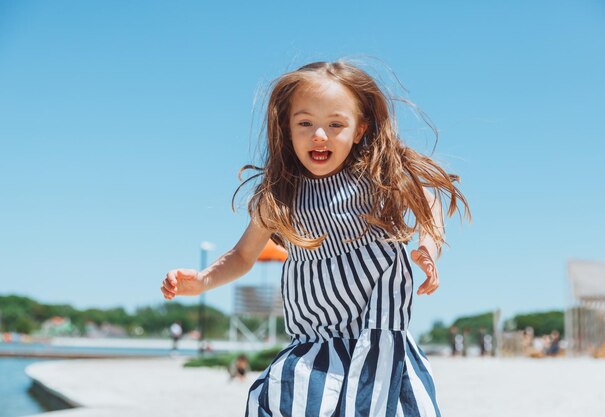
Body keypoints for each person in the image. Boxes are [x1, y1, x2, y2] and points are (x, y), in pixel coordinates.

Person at [160, 60, 470, 416]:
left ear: (359, 130)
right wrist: (202, 280)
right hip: (312, 350)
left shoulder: (376, 178)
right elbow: (243, 255)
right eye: (305, 123)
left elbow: (429, 203)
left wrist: (428, 248)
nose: (319, 135)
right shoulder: (280, 196)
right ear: (287, 129)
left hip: (380, 348)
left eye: (335, 124)